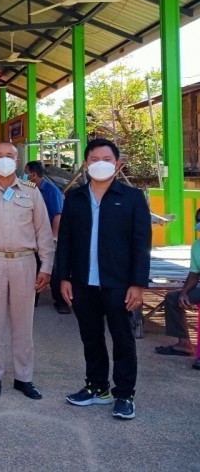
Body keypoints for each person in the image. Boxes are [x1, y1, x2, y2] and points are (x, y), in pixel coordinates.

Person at [57, 138, 151, 420]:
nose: (101, 164)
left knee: (122, 338)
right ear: (86, 164)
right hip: (83, 281)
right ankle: (97, 387)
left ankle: (124, 394)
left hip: (119, 283)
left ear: (117, 163)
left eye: (107, 159)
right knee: (91, 336)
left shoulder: (132, 198)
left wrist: (138, 283)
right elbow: (65, 241)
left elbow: (141, 244)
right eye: (94, 159)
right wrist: (63, 277)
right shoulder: (75, 198)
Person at [0, 142, 54, 401]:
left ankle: (23, 377)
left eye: (9, 155)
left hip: (24, 262)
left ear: (17, 161)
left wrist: (46, 266)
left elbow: (43, 231)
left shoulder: (31, 192)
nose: (4, 159)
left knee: (23, 324)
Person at [155, 208, 200, 367]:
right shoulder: (196, 246)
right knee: (173, 298)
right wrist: (184, 292)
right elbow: (194, 274)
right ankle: (184, 343)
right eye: (198, 220)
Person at [24, 160, 67, 313]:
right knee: (33, 268)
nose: (24, 176)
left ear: (33, 174)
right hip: (32, 236)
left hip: (48, 236)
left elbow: (58, 215)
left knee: (54, 270)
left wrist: (53, 238)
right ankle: (33, 299)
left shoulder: (51, 190)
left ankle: (61, 302)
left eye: (26, 173)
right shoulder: (28, 190)